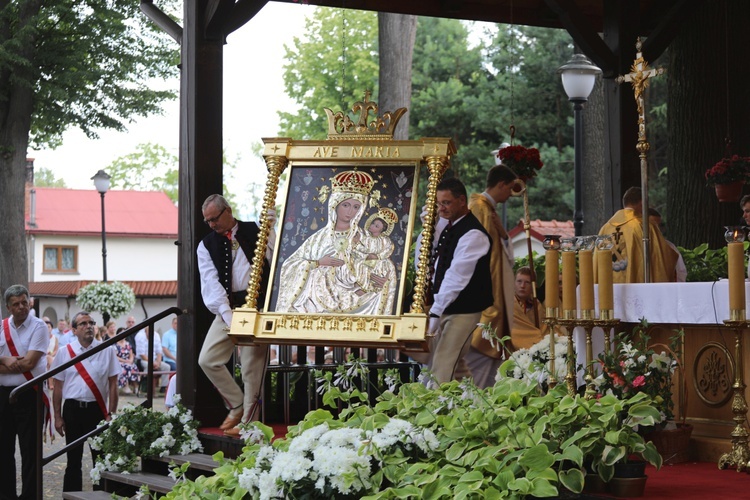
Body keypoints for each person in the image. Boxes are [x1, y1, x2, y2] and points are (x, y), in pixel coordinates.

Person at [197, 194, 275, 437]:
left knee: (252, 367)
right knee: (207, 359)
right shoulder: (206, 244)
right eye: (207, 221)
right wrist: (227, 315)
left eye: (214, 219)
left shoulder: (256, 230)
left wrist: (272, 230)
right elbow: (210, 281)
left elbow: (277, 258)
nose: (211, 225)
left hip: (257, 308)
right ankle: (237, 403)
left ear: (228, 211)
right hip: (227, 308)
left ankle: (250, 424)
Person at [275, 170, 389, 315]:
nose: (350, 212)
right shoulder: (320, 238)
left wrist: (378, 277)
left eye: (356, 207)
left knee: (376, 294)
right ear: (335, 204)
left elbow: (380, 264)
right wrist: (317, 263)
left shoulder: (366, 237)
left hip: (357, 294)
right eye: (346, 205)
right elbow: (290, 265)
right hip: (319, 299)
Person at [416, 177, 494, 385]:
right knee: (447, 364)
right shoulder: (446, 226)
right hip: (443, 305)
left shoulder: (474, 234)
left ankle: (435, 412)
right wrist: (429, 229)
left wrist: (435, 312)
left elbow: (456, 278)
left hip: (464, 309)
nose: (441, 208)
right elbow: (424, 260)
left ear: (462, 201)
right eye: (438, 203)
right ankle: (475, 404)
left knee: (442, 365)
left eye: (446, 203)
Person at [51, 311, 119, 492]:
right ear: (74, 330)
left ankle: (102, 495)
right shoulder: (65, 353)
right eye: (83, 324)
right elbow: (57, 387)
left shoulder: (107, 350)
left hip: (97, 410)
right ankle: (72, 496)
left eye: (91, 322)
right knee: (73, 459)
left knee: (101, 458)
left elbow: (113, 385)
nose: (89, 326)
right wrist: (57, 416)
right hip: (72, 409)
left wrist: (111, 414)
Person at [463, 164, 517, 388]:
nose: (510, 195)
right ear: (501, 184)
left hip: (495, 287)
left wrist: (504, 234)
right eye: (509, 189)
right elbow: (476, 252)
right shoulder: (479, 207)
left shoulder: (488, 209)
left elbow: (500, 252)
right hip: (486, 293)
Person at [0, 284, 48, 500]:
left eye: (24, 302)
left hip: (30, 394)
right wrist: (5, 359)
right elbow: (22, 361)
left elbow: (29, 362)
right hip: (2, 395)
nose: (21, 307)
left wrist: (9, 362)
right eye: (16, 304)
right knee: (3, 451)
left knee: (30, 451)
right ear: (8, 307)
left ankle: (30, 496)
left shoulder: (39, 327)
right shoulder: (1, 327)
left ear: (30, 302)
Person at [594, 187, 677, 283]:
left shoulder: (605, 228)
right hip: (636, 286)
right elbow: (661, 258)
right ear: (642, 203)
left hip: (608, 288)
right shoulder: (644, 226)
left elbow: (596, 262)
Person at [350, 207, 399, 314]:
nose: (372, 227)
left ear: (382, 230)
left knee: (385, 272)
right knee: (361, 266)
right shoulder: (364, 237)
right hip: (364, 261)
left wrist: (378, 257)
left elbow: (387, 250)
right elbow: (359, 250)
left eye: (377, 226)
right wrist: (365, 253)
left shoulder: (385, 240)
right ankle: (363, 288)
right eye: (373, 224)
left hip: (381, 264)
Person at [510, 266, 549, 350]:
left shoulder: (536, 305)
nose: (522, 286)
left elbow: (543, 329)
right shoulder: (507, 303)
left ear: (533, 286)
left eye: (527, 282)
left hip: (535, 348)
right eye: (519, 281)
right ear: (514, 283)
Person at [648, 208, 687, 282]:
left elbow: (680, 272)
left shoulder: (669, 247)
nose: (657, 229)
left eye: (659, 225)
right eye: (653, 226)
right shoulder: (634, 245)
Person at [135, 325, 170, 392]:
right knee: (149, 366)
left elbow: (159, 352)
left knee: (167, 367)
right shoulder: (140, 336)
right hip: (143, 360)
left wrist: (158, 363)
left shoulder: (156, 335)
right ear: (146, 332)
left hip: (155, 360)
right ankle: (145, 385)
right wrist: (152, 363)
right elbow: (142, 354)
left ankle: (164, 387)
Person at [111, 326, 139, 395]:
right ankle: (126, 386)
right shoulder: (115, 344)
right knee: (126, 367)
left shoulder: (128, 344)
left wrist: (131, 360)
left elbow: (131, 354)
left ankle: (136, 387)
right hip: (119, 362)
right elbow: (115, 356)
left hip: (128, 361)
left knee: (134, 367)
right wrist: (125, 361)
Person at [44, 316, 59, 390]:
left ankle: (51, 383)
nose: (47, 328)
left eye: (49, 327)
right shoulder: (42, 337)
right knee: (48, 360)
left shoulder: (55, 338)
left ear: (51, 328)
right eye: (46, 327)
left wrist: (51, 354)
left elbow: (56, 349)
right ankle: (52, 383)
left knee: (50, 362)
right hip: (43, 356)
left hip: (52, 356)